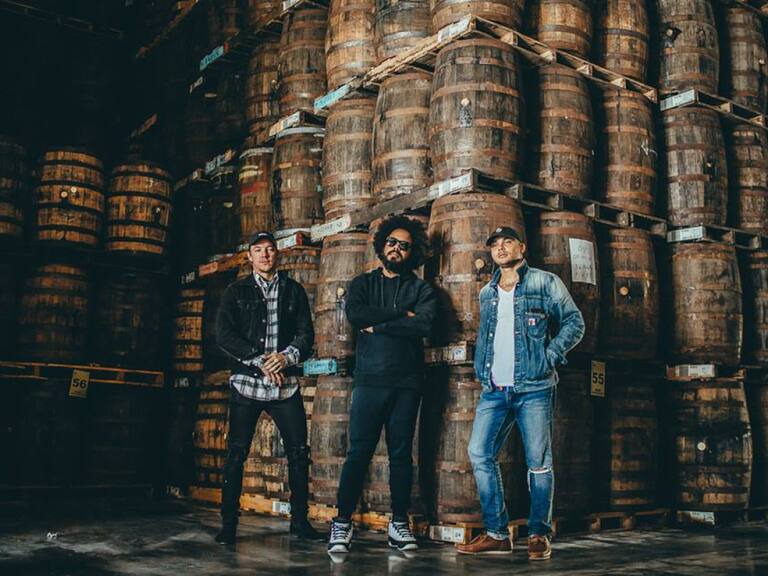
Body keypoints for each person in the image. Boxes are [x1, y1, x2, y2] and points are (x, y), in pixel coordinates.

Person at [455, 226, 585, 561]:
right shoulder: (487, 292)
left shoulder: (545, 282)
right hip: (495, 390)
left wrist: (549, 356)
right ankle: (497, 533)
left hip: (534, 388)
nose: (500, 248)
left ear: (522, 248)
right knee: (479, 453)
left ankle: (539, 534)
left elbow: (575, 322)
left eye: (507, 242)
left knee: (538, 463)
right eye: (494, 245)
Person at [327, 215, 437, 554]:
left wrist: (381, 325)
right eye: (392, 242)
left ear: (412, 252)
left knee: (401, 456)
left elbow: (424, 326)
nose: (396, 249)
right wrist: (401, 316)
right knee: (358, 453)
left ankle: (399, 523)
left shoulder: (421, 289)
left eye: (404, 246)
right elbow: (356, 315)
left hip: (407, 384)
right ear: (382, 245)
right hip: (370, 381)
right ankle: (342, 522)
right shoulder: (363, 283)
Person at [214, 231, 322, 544]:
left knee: (298, 454)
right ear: (249, 256)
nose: (265, 255)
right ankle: (228, 524)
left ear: (277, 254)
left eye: (270, 249)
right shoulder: (236, 291)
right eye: (258, 250)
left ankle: (299, 522)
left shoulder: (293, 290)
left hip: (284, 386)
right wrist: (261, 361)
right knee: (236, 453)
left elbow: (306, 334)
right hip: (248, 384)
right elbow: (224, 335)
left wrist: (285, 358)